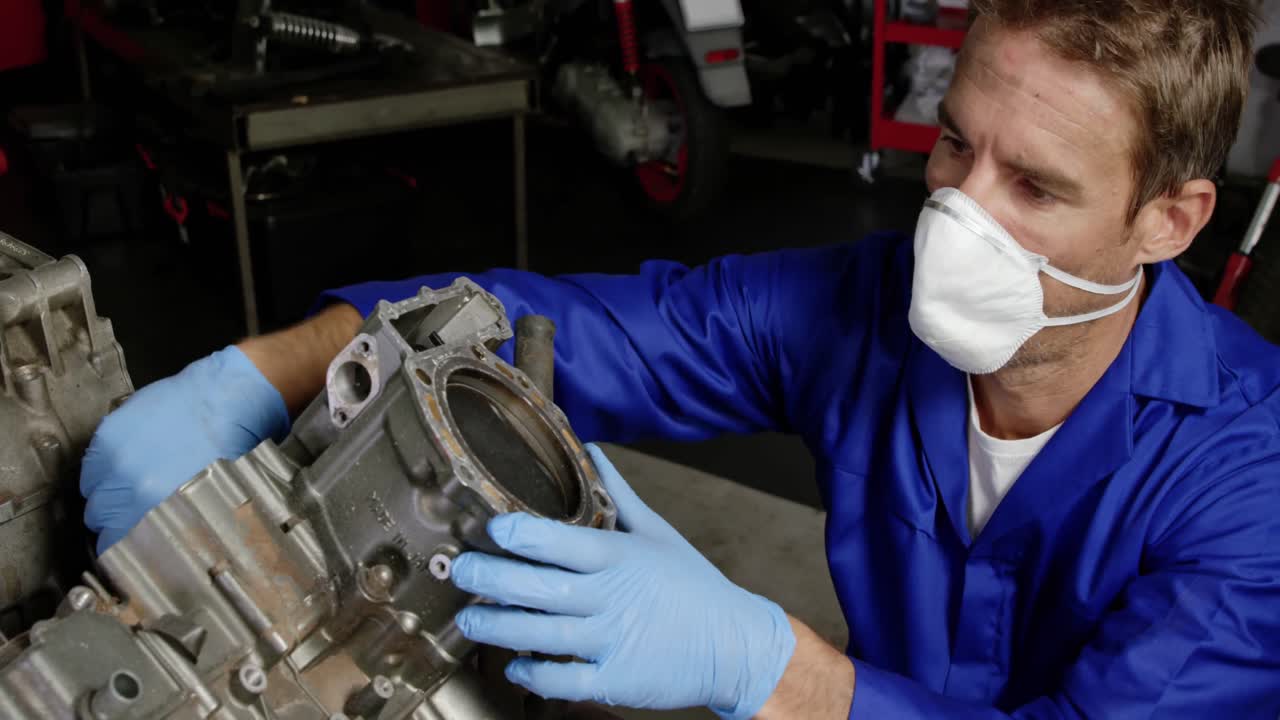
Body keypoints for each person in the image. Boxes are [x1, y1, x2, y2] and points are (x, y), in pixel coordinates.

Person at [81, 1, 1280, 717]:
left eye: (1033, 187)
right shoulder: (853, 308)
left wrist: (766, 663)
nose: (957, 216)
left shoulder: (1251, 480)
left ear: (1166, 222)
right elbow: (533, 322)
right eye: (955, 147)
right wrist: (254, 372)